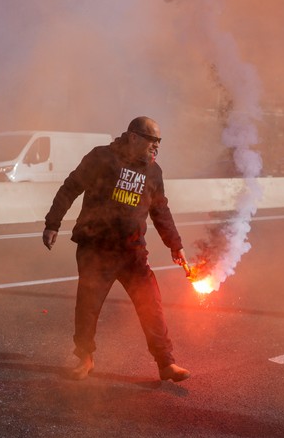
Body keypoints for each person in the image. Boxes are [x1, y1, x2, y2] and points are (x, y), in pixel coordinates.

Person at [43, 116, 191, 382]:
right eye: (151, 140)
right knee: (88, 306)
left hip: (133, 251)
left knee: (152, 304)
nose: (156, 146)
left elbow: (160, 210)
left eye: (159, 141)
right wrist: (52, 223)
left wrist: (175, 245)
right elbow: (71, 187)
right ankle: (85, 358)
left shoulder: (153, 172)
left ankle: (166, 363)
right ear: (133, 137)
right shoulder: (102, 158)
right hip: (96, 248)